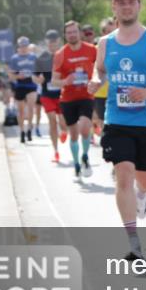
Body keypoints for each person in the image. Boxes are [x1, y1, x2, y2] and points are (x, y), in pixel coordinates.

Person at [88, 0, 146, 262]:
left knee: (145, 182)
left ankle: (141, 196)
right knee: (123, 175)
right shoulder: (105, 42)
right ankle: (133, 242)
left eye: (130, 2)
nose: (126, 7)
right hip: (117, 120)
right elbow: (100, 69)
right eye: (120, 3)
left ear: (138, 6)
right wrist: (96, 80)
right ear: (114, 8)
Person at [52, 20, 97, 178]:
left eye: (74, 32)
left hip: (86, 95)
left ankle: (85, 156)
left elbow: (101, 69)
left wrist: (95, 80)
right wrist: (65, 81)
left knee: (84, 128)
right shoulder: (60, 54)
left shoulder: (92, 50)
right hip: (68, 98)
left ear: (80, 33)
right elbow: (54, 80)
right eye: (69, 32)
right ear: (65, 35)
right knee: (73, 134)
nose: (72, 35)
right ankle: (77, 163)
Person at [35, 30, 67, 164]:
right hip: (47, 94)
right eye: (50, 41)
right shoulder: (41, 58)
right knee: (52, 120)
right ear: (46, 42)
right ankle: (56, 151)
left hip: (62, 94)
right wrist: (38, 79)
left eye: (54, 41)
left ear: (58, 41)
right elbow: (34, 76)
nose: (52, 43)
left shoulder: (64, 54)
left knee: (63, 122)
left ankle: (64, 131)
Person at [8, 37, 39, 143]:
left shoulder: (33, 57)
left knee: (30, 107)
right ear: (19, 46)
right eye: (22, 46)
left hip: (31, 85)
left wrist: (37, 76)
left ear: (28, 46)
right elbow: (10, 75)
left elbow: (39, 71)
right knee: (20, 111)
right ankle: (22, 131)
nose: (23, 48)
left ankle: (29, 128)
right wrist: (18, 76)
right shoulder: (14, 58)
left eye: (25, 45)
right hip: (20, 86)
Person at [91, 18, 116, 144]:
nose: (110, 34)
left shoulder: (123, 46)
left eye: (112, 31)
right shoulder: (96, 48)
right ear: (102, 32)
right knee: (101, 118)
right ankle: (104, 135)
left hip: (116, 91)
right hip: (100, 91)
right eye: (107, 31)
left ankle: (110, 138)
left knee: (113, 118)